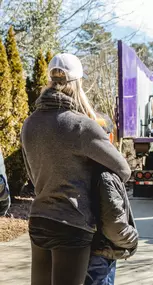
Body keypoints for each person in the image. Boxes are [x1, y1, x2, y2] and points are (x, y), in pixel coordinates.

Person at [21, 53, 131, 285]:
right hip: (72, 224)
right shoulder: (81, 125)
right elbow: (123, 169)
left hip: (39, 220)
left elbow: (33, 175)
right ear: (78, 83)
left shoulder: (30, 123)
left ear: (50, 81)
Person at [85, 170, 138, 285]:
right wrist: (132, 239)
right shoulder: (105, 177)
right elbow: (115, 228)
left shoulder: (79, 170)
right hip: (100, 254)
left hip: (89, 249)